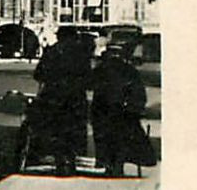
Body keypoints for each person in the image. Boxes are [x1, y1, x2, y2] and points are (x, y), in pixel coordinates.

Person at [33, 26, 94, 176]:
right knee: (74, 130)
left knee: (56, 130)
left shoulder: (52, 51)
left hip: (53, 97)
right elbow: (88, 79)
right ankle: (71, 162)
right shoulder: (81, 54)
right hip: (75, 98)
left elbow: (38, 74)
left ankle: (60, 162)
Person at [90, 44, 154, 177]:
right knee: (120, 139)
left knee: (106, 138)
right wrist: (136, 107)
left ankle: (109, 164)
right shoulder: (129, 70)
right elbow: (138, 92)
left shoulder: (101, 69)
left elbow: (90, 84)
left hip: (105, 110)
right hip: (121, 110)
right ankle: (117, 165)